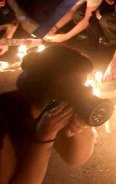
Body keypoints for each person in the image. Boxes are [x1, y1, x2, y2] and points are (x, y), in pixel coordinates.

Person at [0, 46, 95, 184]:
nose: (80, 92)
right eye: (75, 87)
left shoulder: (52, 106)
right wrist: (44, 137)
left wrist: (82, 124)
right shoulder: (4, 117)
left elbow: (75, 158)